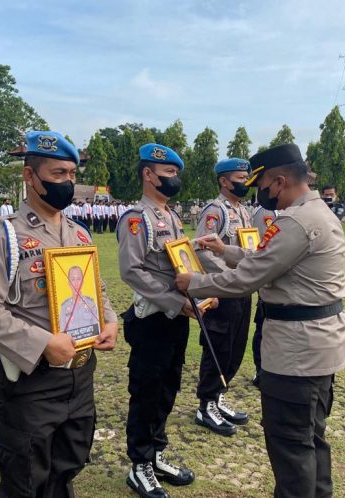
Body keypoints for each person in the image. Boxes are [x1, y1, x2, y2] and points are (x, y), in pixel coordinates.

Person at [176, 143, 345, 498]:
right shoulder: (316, 212)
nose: (260, 195)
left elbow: (248, 278)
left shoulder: (297, 221)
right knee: (311, 441)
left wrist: (193, 283)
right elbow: (268, 258)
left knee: (291, 448)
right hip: (319, 348)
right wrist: (226, 250)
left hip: (296, 354)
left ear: (280, 181)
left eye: (262, 187)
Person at [0, 130, 118, 498]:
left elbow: (94, 290)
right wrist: (42, 343)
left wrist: (110, 319)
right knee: (26, 478)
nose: (68, 182)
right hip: (31, 383)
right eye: (58, 174)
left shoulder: (79, 235)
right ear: (29, 176)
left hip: (80, 376)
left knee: (67, 467)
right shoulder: (5, 235)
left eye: (72, 174)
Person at [118, 143, 197, 498]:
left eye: (176, 173)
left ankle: (156, 453)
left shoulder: (172, 216)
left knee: (168, 388)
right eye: (168, 173)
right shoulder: (137, 218)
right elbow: (132, 271)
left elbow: (179, 264)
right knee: (146, 392)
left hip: (176, 316)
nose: (174, 179)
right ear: (149, 175)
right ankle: (139, 465)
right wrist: (172, 302)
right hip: (152, 318)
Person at [193, 157, 253, 436]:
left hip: (242, 289)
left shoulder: (244, 211)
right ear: (224, 181)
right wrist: (228, 280)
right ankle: (206, 405)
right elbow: (203, 250)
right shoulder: (215, 211)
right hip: (224, 289)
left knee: (235, 348)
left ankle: (218, 398)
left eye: (246, 178)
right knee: (217, 348)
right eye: (240, 178)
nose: (245, 183)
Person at [250, 205, 278, 387]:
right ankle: (261, 372)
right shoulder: (267, 212)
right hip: (268, 279)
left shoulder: (285, 211)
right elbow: (262, 248)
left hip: (279, 281)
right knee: (264, 326)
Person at [59, 266, 100, 333]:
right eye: (73, 279)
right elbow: (63, 331)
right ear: (69, 283)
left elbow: (96, 329)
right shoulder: (64, 306)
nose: (76, 283)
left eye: (78, 279)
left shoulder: (90, 303)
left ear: (83, 282)